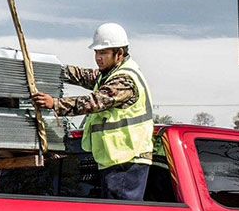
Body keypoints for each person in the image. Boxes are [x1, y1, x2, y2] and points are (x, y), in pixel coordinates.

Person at [32, 23, 154, 201]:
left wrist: (55, 104)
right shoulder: (109, 74)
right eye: (96, 52)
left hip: (127, 162)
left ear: (119, 53)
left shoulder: (124, 80)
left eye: (103, 53)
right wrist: (46, 68)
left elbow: (93, 102)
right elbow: (82, 75)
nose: (98, 57)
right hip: (114, 161)